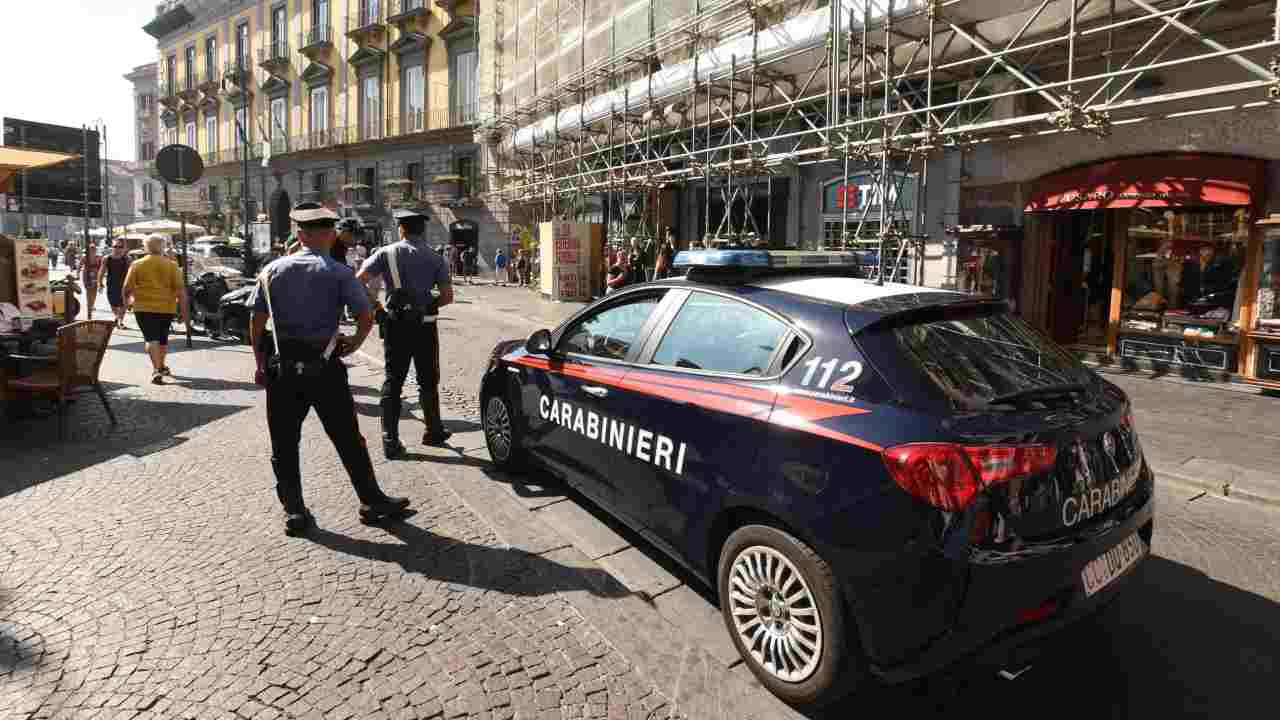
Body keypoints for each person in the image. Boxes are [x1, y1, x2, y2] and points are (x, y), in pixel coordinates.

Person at [249, 201, 411, 536]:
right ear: (330, 233)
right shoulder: (338, 272)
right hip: (325, 368)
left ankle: (294, 511)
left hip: (283, 369)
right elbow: (365, 316)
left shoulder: (270, 271)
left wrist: (260, 363)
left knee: (284, 442)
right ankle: (371, 501)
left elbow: (256, 321)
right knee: (348, 438)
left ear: (299, 233)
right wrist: (355, 342)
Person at [357, 207, 454, 459]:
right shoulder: (436, 258)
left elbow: (358, 280)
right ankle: (433, 431)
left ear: (401, 229)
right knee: (428, 380)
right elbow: (447, 297)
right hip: (425, 326)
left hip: (395, 324)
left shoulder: (385, 253)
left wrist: (376, 307)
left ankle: (390, 440)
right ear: (423, 230)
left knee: (393, 380)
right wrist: (427, 303)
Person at [122, 234, 189, 384]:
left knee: (151, 338)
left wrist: (127, 304)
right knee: (162, 339)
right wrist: (184, 313)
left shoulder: (137, 264)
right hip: (166, 307)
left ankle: (157, 369)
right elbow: (181, 291)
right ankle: (161, 366)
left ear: (146, 247)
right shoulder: (172, 265)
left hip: (143, 307)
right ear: (163, 247)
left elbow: (126, 288)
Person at [99, 238, 132, 329]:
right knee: (113, 303)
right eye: (115, 246)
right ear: (112, 247)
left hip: (124, 284)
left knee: (123, 304)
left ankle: (120, 321)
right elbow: (101, 271)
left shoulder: (127, 259)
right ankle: (117, 317)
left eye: (120, 247)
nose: (117, 249)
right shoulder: (107, 258)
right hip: (111, 284)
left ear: (124, 248)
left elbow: (131, 272)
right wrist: (100, 283)